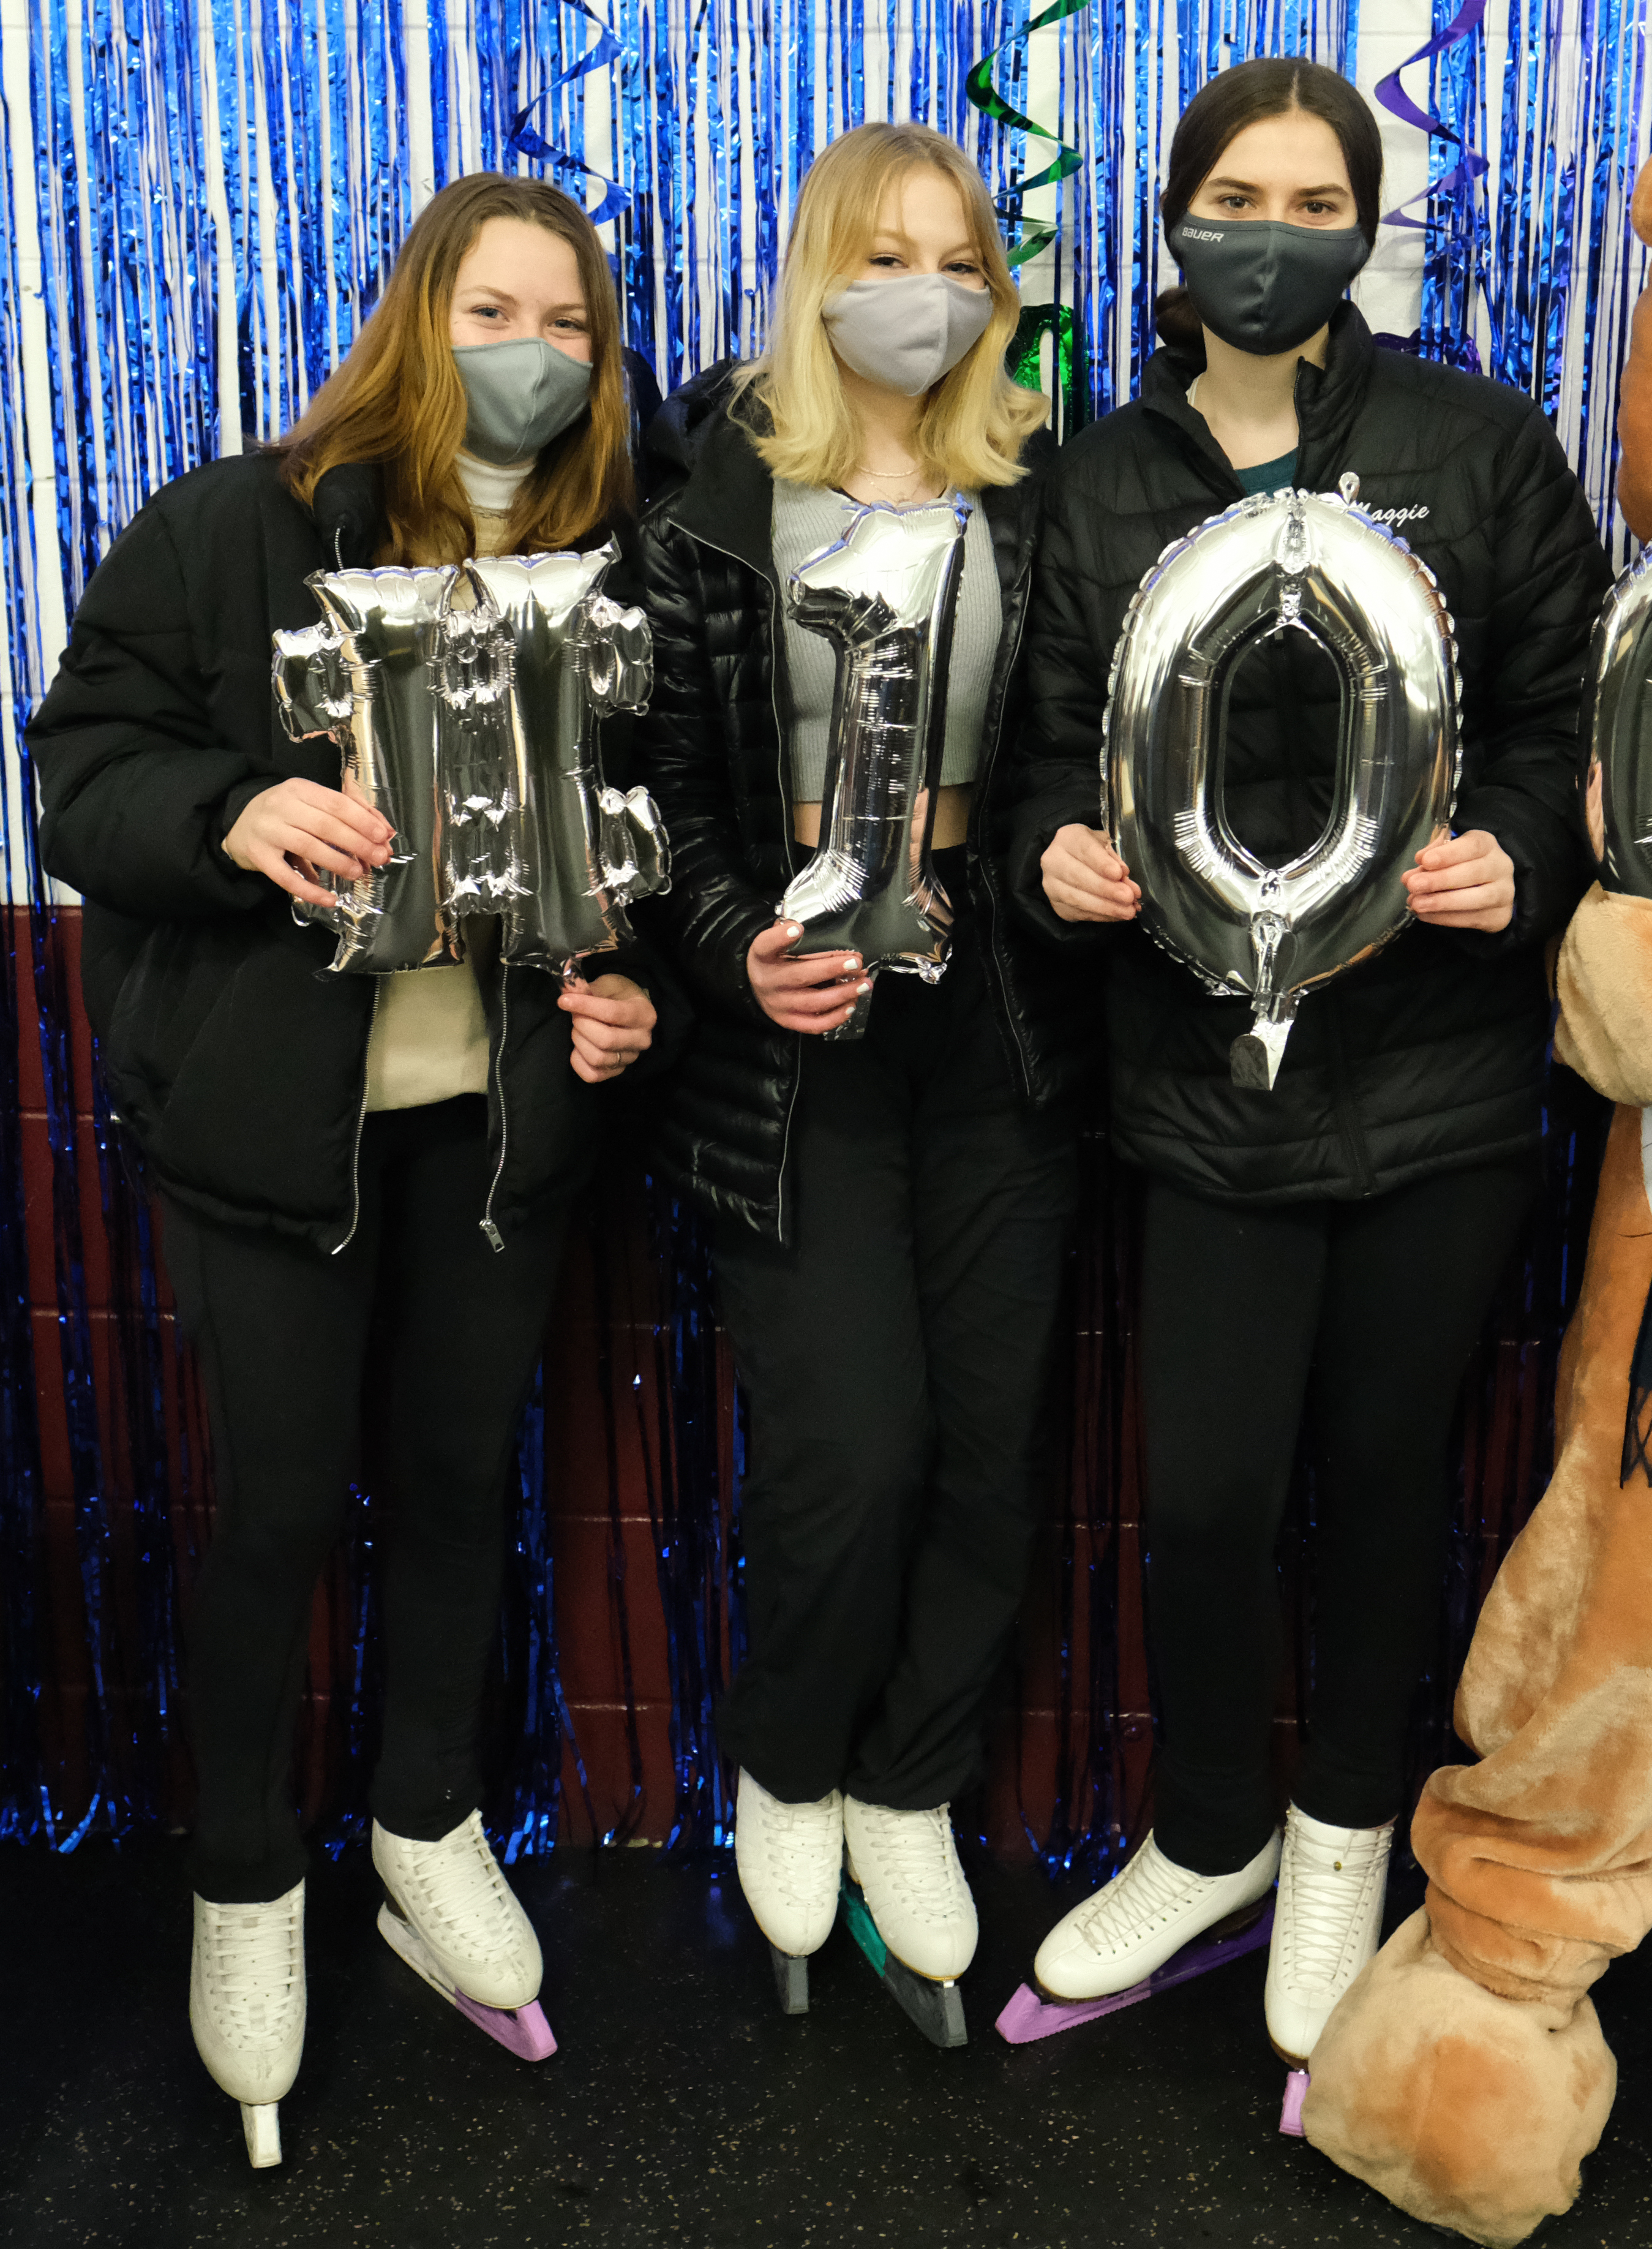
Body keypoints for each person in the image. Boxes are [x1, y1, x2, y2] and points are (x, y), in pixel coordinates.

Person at [28, 175, 664, 2166]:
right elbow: (80, 770)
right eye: (497, 307)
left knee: (467, 1487)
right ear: (417, 314)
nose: (532, 352)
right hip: (267, 1137)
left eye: (570, 323)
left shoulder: (605, 563)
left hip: (496, 1136)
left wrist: (622, 990)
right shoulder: (245, 522)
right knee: (282, 1510)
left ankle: (422, 1827)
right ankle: (244, 1882)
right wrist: (236, 808)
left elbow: (628, 852)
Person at [1007, 58, 1612, 2063]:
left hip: (1435, 1077)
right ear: (1173, 224)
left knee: (1376, 1481)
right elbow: (1028, 762)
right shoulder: (1096, 481)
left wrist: (1514, 851)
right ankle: (1206, 1835)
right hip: (1198, 1090)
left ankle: (1344, 1833)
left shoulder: (1475, 440)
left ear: (1363, 228)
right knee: (1200, 1495)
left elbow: (1558, 705)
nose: (1269, 235)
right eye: (1233, 197)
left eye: (1311, 199)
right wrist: (1050, 859)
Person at [634, 122, 1086, 2005]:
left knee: (990, 1443)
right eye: (885, 256)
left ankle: (909, 1778)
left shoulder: (1041, 476)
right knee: (856, 1442)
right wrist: (741, 947)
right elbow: (649, 787)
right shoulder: (711, 479)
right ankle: (790, 1755)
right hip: (790, 1002)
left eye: (960, 262)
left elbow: (1075, 731)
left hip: (990, 994)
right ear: (820, 270)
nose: (925, 290)